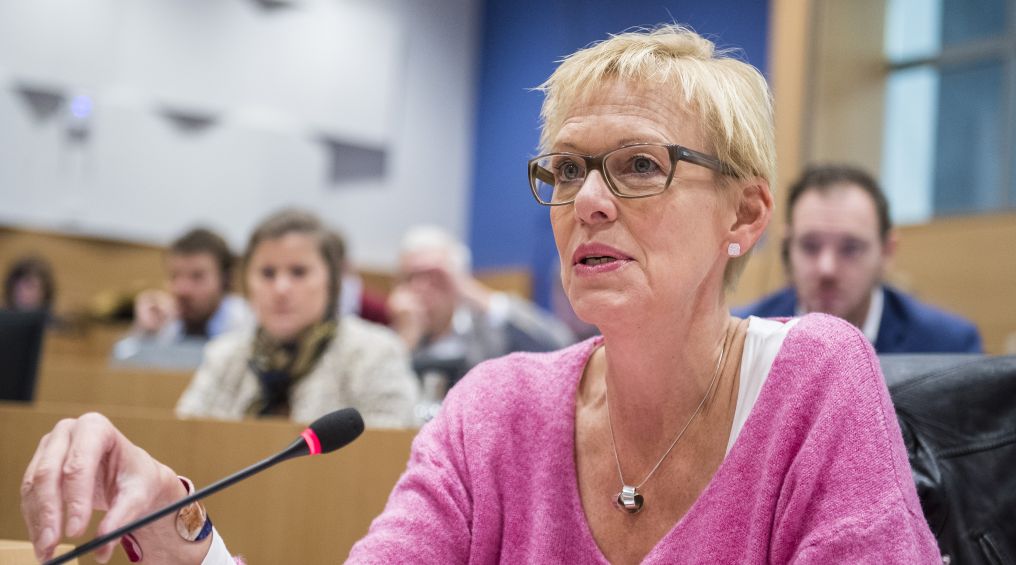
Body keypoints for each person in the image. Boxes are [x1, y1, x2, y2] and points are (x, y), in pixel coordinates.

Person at [20, 25, 939, 564]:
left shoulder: (816, 377)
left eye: (638, 166)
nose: (587, 200)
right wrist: (178, 519)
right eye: (567, 168)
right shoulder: (496, 411)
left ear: (744, 213)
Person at [176, 209, 419, 427]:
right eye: (267, 273)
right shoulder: (223, 356)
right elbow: (185, 440)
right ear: (247, 284)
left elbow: (387, 448)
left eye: (298, 272)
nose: (281, 288)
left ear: (332, 282)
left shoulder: (376, 353)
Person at [734, 164, 983, 353]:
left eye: (851, 248)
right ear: (788, 247)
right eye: (810, 246)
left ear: (886, 252)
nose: (827, 269)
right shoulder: (745, 339)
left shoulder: (948, 347)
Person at [387, 225, 574, 390]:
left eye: (435, 276)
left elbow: (559, 342)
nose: (420, 287)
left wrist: (476, 295)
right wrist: (406, 339)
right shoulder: (396, 336)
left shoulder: (486, 329)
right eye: (410, 278)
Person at [112, 228, 252, 362]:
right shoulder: (163, 324)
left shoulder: (250, 325)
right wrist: (143, 333)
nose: (182, 290)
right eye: (174, 276)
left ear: (225, 280)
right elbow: (120, 366)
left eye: (197, 276)